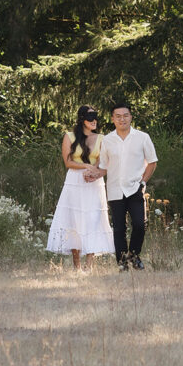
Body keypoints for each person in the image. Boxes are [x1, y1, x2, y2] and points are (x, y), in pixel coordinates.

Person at [84, 101, 157, 271]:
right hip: (115, 189)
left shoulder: (142, 137)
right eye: (118, 116)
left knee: (140, 224)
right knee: (119, 228)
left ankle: (135, 255)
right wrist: (93, 175)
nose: (122, 119)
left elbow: (152, 163)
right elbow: (103, 167)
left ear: (130, 117)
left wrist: (143, 182)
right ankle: (122, 261)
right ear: (112, 119)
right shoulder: (108, 140)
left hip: (135, 188)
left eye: (125, 115)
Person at [46, 105, 115, 270]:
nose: (94, 121)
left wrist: (94, 171)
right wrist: (85, 166)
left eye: (96, 118)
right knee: (74, 221)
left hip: (93, 181)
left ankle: (89, 265)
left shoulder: (101, 138)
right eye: (90, 118)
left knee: (93, 220)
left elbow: (103, 160)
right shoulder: (69, 137)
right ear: (82, 120)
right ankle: (77, 265)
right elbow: (68, 162)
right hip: (75, 181)